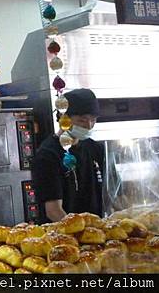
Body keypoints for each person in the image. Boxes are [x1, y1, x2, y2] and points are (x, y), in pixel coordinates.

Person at [32, 88, 104, 223]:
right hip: (63, 232)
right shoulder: (48, 155)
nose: (89, 126)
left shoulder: (95, 148)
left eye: (93, 120)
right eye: (82, 120)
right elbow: (54, 211)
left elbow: (113, 194)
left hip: (97, 229)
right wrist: (79, 231)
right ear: (64, 117)